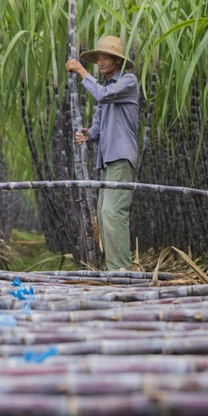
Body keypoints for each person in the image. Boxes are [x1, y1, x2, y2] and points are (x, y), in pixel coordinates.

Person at [65, 36, 139, 271]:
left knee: (113, 212)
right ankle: (113, 268)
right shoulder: (104, 86)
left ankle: (121, 270)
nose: (101, 61)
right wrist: (88, 135)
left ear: (117, 60)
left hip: (121, 156)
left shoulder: (128, 81)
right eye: (99, 58)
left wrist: (81, 72)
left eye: (106, 57)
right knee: (102, 213)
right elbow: (98, 126)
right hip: (106, 159)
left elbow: (102, 96)